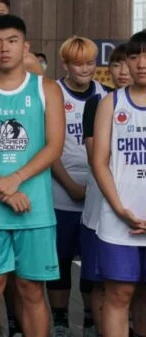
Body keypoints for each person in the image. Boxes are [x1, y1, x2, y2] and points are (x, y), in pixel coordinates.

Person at [0, 14, 64, 337]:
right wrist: (4, 189)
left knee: (31, 290)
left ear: (25, 46)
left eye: (12, 41)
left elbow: (54, 146)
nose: (4, 48)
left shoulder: (46, 89)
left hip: (34, 209)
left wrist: (16, 179)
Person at [48, 36, 106, 337]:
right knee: (60, 259)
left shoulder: (105, 95)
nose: (85, 69)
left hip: (98, 194)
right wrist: (70, 185)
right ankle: (59, 321)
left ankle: (89, 320)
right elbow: (47, 146)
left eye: (90, 63)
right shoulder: (53, 93)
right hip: (60, 192)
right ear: (66, 64)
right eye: (78, 64)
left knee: (92, 263)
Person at [90, 31, 146, 337]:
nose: (141, 63)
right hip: (118, 218)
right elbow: (99, 162)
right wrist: (120, 209)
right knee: (119, 293)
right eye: (134, 56)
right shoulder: (111, 103)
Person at [81, 43, 129, 335]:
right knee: (102, 283)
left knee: (137, 288)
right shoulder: (99, 103)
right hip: (102, 209)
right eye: (116, 64)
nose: (123, 71)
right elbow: (96, 157)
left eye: (129, 62)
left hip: (139, 209)